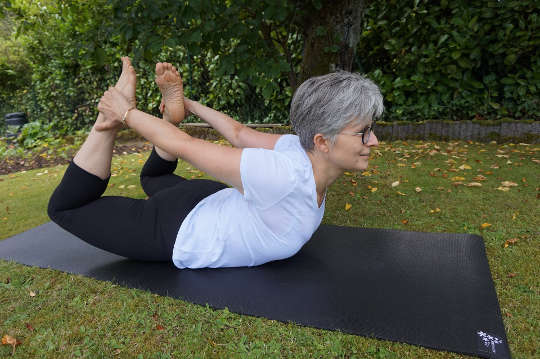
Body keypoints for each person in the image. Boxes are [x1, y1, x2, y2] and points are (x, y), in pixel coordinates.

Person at [47, 57, 383, 269]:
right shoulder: (284, 177)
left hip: (206, 200)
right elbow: (187, 147)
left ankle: (166, 116)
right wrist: (123, 113)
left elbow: (237, 132)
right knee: (65, 208)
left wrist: (187, 104)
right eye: (363, 133)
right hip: (176, 229)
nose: (374, 141)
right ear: (322, 142)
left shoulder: (298, 148)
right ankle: (104, 125)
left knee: (153, 177)